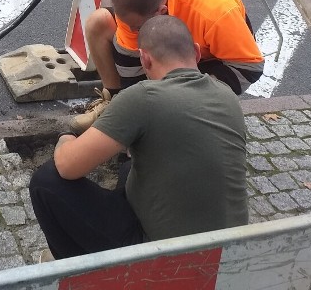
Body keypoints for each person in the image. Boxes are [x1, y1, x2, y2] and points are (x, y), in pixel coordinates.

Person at [30, 15, 249, 260]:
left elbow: (68, 166)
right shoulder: (227, 94)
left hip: (163, 258)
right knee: (128, 166)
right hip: (227, 250)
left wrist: (66, 136)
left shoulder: (143, 96)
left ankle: (75, 271)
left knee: (46, 181)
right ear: (196, 52)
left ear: (144, 59)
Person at [70, 0, 263, 133]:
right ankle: (112, 101)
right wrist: (128, 112)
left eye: (136, 28)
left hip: (211, 58)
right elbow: (131, 68)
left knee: (175, 100)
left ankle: (190, 114)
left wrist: (184, 95)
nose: (131, 31)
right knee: (98, 21)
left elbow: (249, 68)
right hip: (175, 39)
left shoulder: (216, 13)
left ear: (161, 12)